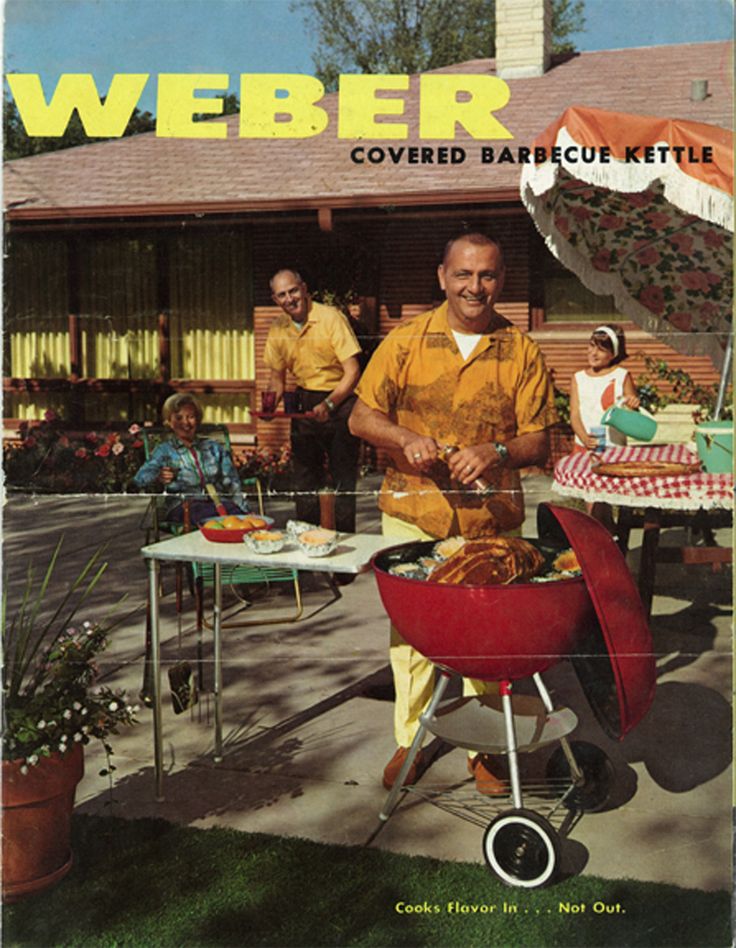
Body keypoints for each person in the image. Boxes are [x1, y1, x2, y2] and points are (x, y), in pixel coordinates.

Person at [349, 232, 558, 795]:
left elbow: (540, 441)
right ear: (442, 277)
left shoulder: (522, 351)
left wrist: (497, 451)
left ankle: (486, 748)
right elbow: (361, 418)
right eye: (463, 275)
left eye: (486, 275)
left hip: (492, 518)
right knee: (412, 634)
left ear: (501, 280)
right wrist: (404, 436)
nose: (475, 287)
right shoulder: (404, 342)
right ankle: (411, 739)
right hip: (415, 512)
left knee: (490, 638)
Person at [263, 268, 362, 533]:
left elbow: (353, 371)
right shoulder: (278, 328)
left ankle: (344, 551)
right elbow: (276, 378)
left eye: (293, 291)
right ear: (275, 299)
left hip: (339, 400)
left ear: (305, 289)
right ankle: (306, 543)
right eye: (282, 295)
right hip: (304, 401)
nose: (289, 299)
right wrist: (269, 407)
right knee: (304, 479)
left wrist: (330, 405)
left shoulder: (331, 318)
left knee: (342, 480)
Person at [133, 393, 246, 524]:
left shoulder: (214, 448)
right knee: (215, 521)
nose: (185, 422)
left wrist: (244, 510)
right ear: (169, 422)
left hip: (218, 503)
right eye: (178, 418)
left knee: (241, 521)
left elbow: (233, 482)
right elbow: (139, 479)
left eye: (191, 417)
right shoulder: (164, 450)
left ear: (198, 419)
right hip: (184, 506)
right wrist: (158, 476)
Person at [569, 324, 640, 529]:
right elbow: (574, 414)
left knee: (606, 502)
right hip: (586, 447)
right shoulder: (578, 378)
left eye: (600, 349)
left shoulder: (621, 376)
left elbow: (631, 413)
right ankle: (605, 544)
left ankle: (610, 542)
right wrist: (584, 437)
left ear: (613, 353)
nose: (593, 352)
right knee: (593, 505)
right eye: (591, 346)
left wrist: (632, 404)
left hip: (613, 449)